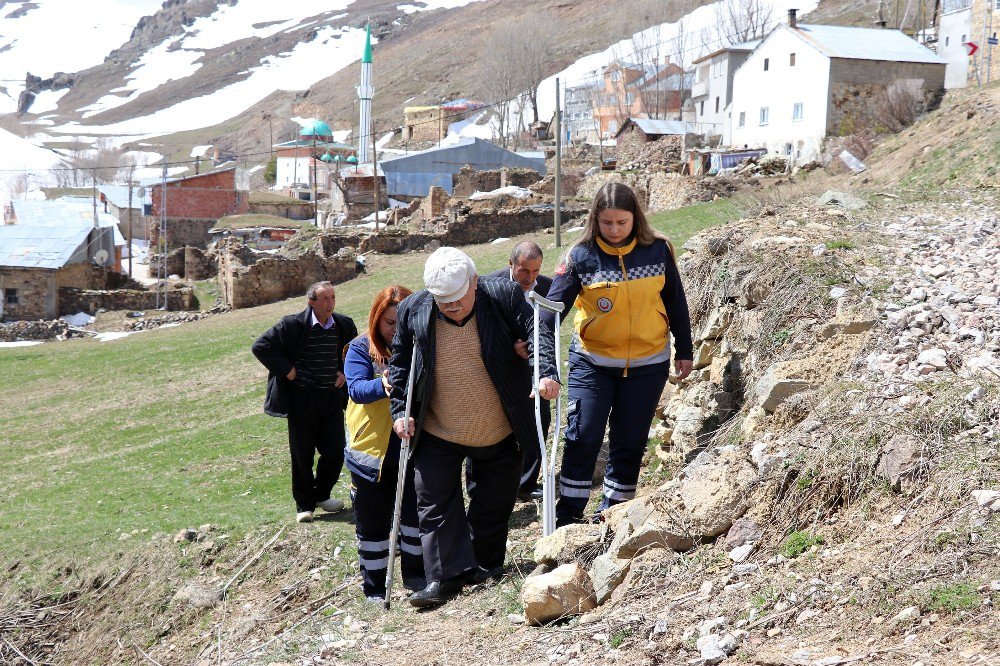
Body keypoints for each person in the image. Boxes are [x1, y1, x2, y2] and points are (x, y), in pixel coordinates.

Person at [389, 247, 560, 608]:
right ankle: (444, 577)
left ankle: (485, 564)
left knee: (494, 498)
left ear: (474, 282)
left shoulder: (502, 294)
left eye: (457, 299)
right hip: (439, 426)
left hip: (499, 424)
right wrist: (398, 412)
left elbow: (536, 328)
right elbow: (402, 367)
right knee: (433, 499)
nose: (450, 307)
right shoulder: (414, 310)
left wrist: (544, 369)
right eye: (442, 301)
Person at [542, 182, 694, 527]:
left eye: (621, 223)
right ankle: (567, 517)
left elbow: (675, 301)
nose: (613, 230)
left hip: (648, 364)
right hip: (592, 364)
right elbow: (549, 315)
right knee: (583, 436)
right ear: (595, 219)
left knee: (630, 440)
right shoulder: (579, 256)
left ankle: (613, 516)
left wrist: (684, 348)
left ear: (635, 219)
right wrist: (546, 368)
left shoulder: (658, 250)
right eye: (606, 223)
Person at [344, 285, 426, 603]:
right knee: (372, 523)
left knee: (413, 516)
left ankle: (415, 576)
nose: (395, 329)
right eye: (389, 322)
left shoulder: (420, 345)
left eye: (401, 320)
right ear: (377, 320)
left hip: (410, 444)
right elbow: (356, 389)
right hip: (371, 451)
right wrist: (384, 383)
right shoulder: (360, 348)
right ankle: (375, 587)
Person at [252, 281, 358, 524]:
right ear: (311, 302)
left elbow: (353, 353)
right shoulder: (292, 325)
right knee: (302, 454)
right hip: (301, 400)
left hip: (331, 398)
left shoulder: (343, 324)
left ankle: (321, 494)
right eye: (325, 299)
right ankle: (304, 504)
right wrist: (287, 370)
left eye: (333, 298)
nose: (330, 303)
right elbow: (261, 346)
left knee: (335, 451)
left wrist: (344, 372)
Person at [485, 241, 553, 501]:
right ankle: (494, 485)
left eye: (535, 271)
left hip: (536, 366)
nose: (530, 278)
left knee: (539, 420)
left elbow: (551, 324)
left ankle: (525, 483)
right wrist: (510, 344)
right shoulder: (490, 286)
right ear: (510, 264)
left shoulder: (548, 288)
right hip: (501, 365)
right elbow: (485, 328)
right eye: (524, 271)